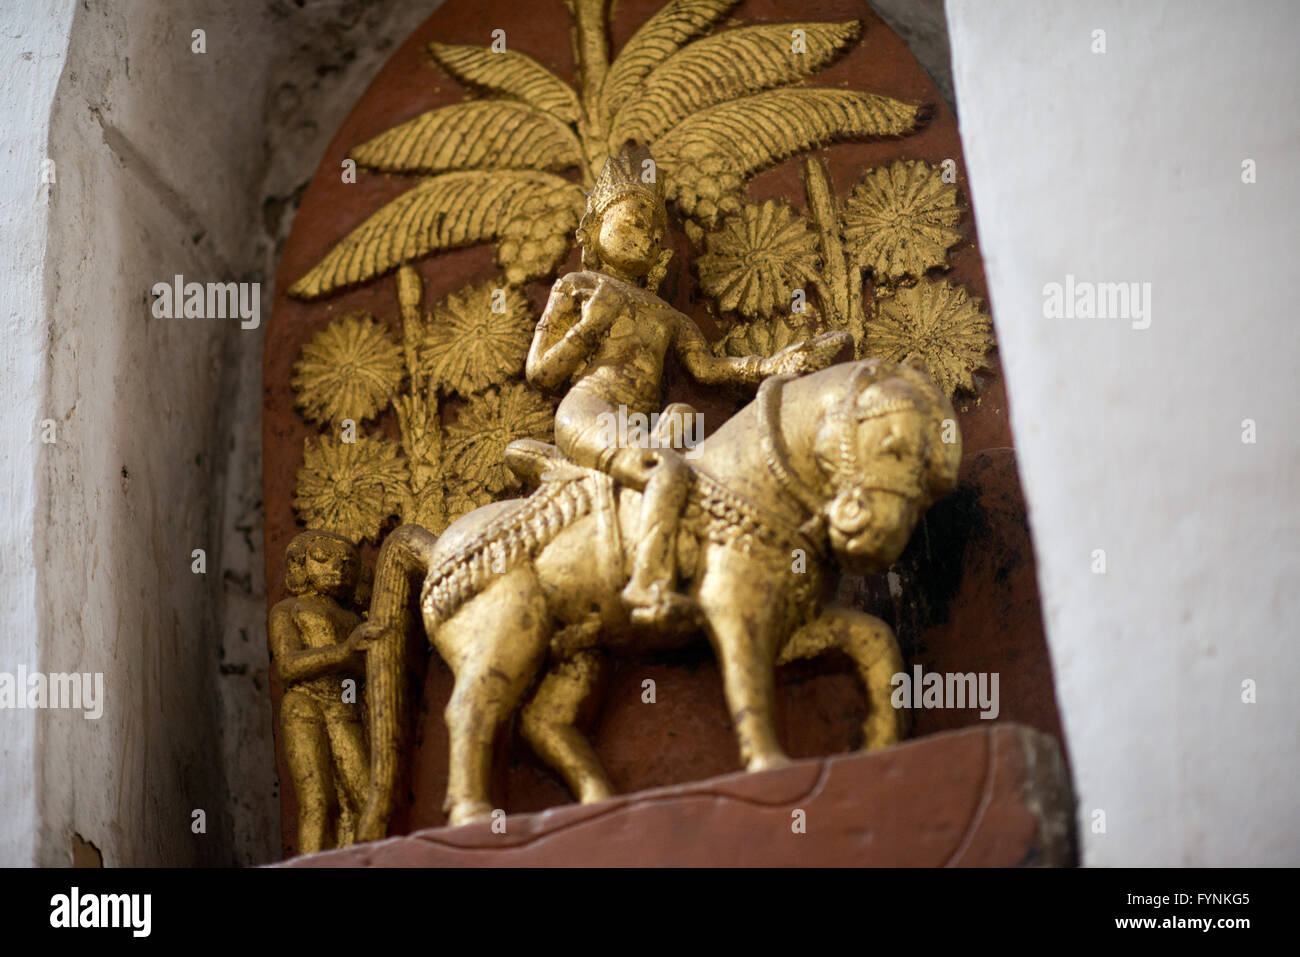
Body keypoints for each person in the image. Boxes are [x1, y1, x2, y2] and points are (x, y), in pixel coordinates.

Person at [525, 143, 847, 626]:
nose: (646, 237)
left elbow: (708, 370)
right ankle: (647, 584)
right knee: (666, 472)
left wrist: (772, 365)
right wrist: (589, 326)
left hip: (642, 426)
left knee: (684, 421)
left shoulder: (667, 316)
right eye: (634, 222)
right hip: (589, 411)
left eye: (655, 234)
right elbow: (540, 374)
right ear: (594, 228)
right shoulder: (577, 288)